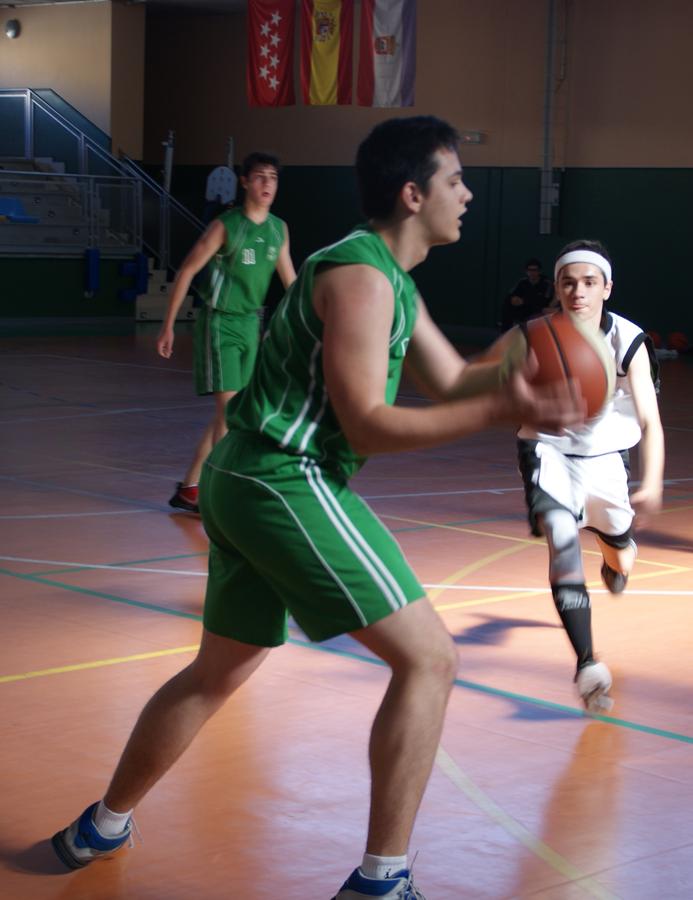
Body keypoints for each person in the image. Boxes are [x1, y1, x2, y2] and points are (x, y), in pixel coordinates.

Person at [51, 117, 584, 899]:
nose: (468, 195)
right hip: (282, 476)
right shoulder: (361, 278)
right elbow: (370, 420)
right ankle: (382, 881)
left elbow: (447, 379)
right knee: (429, 658)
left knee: (217, 671)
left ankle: (101, 822)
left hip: (241, 478)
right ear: (412, 194)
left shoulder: (387, 280)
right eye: (454, 181)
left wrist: (525, 353)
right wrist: (499, 409)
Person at [485, 240, 664, 712]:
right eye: (568, 282)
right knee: (561, 538)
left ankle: (616, 554)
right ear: (556, 288)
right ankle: (587, 665)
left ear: (607, 287)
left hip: (606, 457)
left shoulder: (629, 340)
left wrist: (654, 480)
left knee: (619, 550)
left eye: (588, 282)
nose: (577, 291)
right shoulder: (536, 336)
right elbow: (501, 393)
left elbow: (650, 419)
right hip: (547, 448)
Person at [157, 151, 296, 513]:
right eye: (261, 177)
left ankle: (190, 487)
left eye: (273, 178)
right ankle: (220, 494)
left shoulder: (278, 229)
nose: (268, 184)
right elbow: (187, 271)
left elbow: (290, 282)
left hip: (252, 324)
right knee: (233, 415)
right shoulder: (226, 226)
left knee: (228, 415)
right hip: (220, 323)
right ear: (245, 182)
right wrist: (169, 326)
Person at [500, 257, 555, 332]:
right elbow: (511, 295)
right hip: (523, 309)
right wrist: (514, 299)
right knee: (508, 304)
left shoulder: (546, 283)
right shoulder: (523, 282)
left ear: (539, 271)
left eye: (535, 270)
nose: (532, 273)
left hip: (538, 310)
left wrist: (524, 301)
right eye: (530, 270)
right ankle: (504, 332)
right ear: (526, 271)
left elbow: (543, 301)